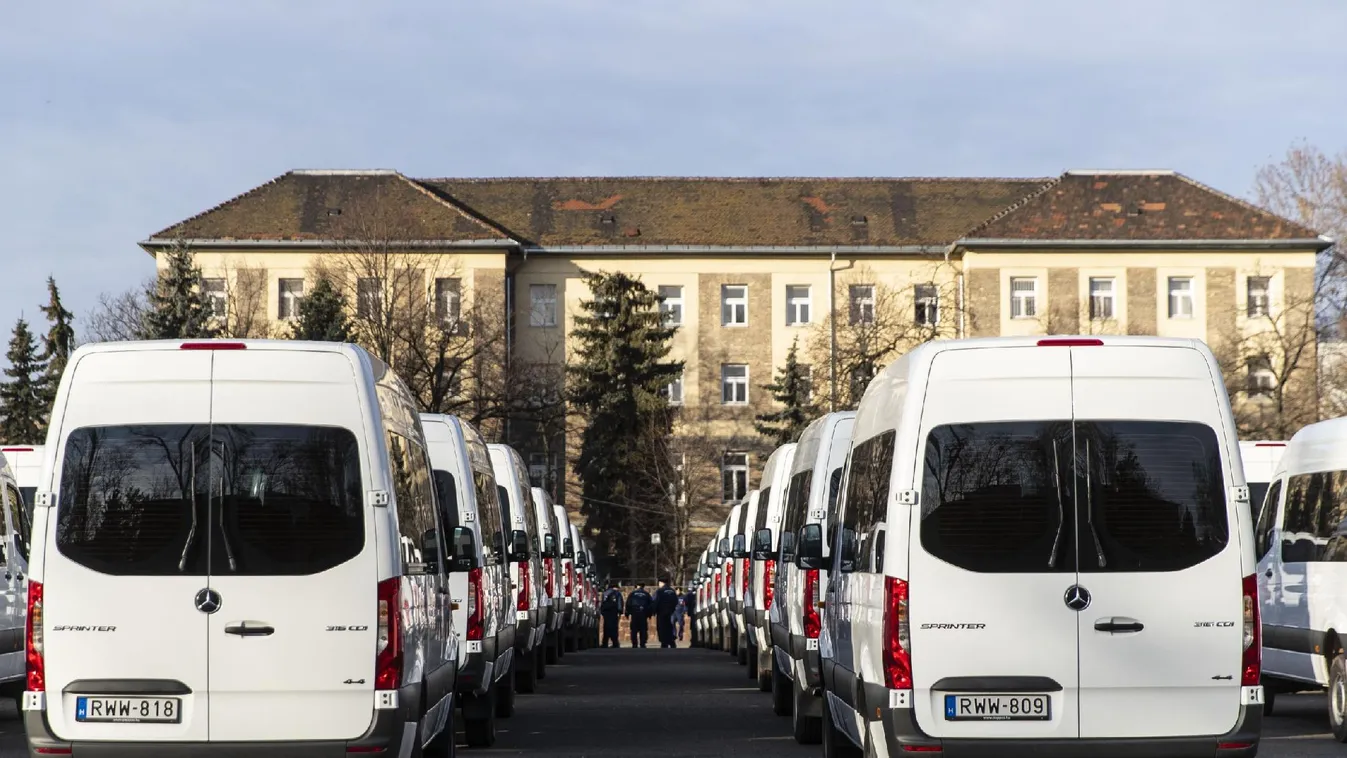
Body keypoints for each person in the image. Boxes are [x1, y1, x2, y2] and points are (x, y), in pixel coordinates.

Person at [652, 578, 680, 648]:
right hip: (671, 612)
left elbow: (655, 601)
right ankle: (671, 642)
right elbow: (676, 601)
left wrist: (653, 611)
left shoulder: (659, 591)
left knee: (661, 627)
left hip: (661, 612)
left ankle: (664, 643)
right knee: (670, 627)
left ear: (661, 583)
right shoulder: (672, 591)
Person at [626, 583, 653, 648]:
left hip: (634, 613)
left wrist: (628, 613)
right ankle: (642, 643)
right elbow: (651, 605)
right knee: (643, 629)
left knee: (634, 629)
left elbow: (628, 604)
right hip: (643, 614)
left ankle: (634, 644)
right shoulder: (647, 594)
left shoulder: (632, 594)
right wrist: (649, 614)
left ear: (637, 586)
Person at [599, 581, 624, 648]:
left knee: (606, 627)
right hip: (614, 612)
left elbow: (602, 603)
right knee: (614, 628)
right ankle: (615, 643)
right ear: (615, 587)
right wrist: (620, 611)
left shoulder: (605, 593)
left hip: (606, 612)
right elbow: (619, 603)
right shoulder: (617, 593)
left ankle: (605, 643)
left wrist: (602, 611)